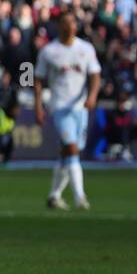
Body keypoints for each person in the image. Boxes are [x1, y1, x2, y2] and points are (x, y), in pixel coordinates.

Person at [34, 11, 101, 210]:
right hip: (60, 107)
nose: (69, 26)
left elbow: (95, 74)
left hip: (80, 108)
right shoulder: (49, 51)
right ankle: (80, 197)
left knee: (68, 153)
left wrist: (92, 96)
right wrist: (38, 106)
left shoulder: (86, 48)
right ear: (59, 26)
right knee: (71, 148)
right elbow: (37, 79)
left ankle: (54, 196)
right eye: (65, 22)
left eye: (72, 22)